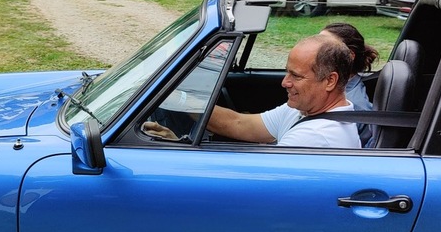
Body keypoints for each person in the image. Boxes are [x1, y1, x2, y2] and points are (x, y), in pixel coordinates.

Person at [144, 35, 360, 149]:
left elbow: (254, 181)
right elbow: (238, 123)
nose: (285, 82)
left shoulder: (314, 136)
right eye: (287, 73)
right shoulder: (305, 111)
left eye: (296, 76)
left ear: (330, 81)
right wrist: (178, 99)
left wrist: (178, 147)